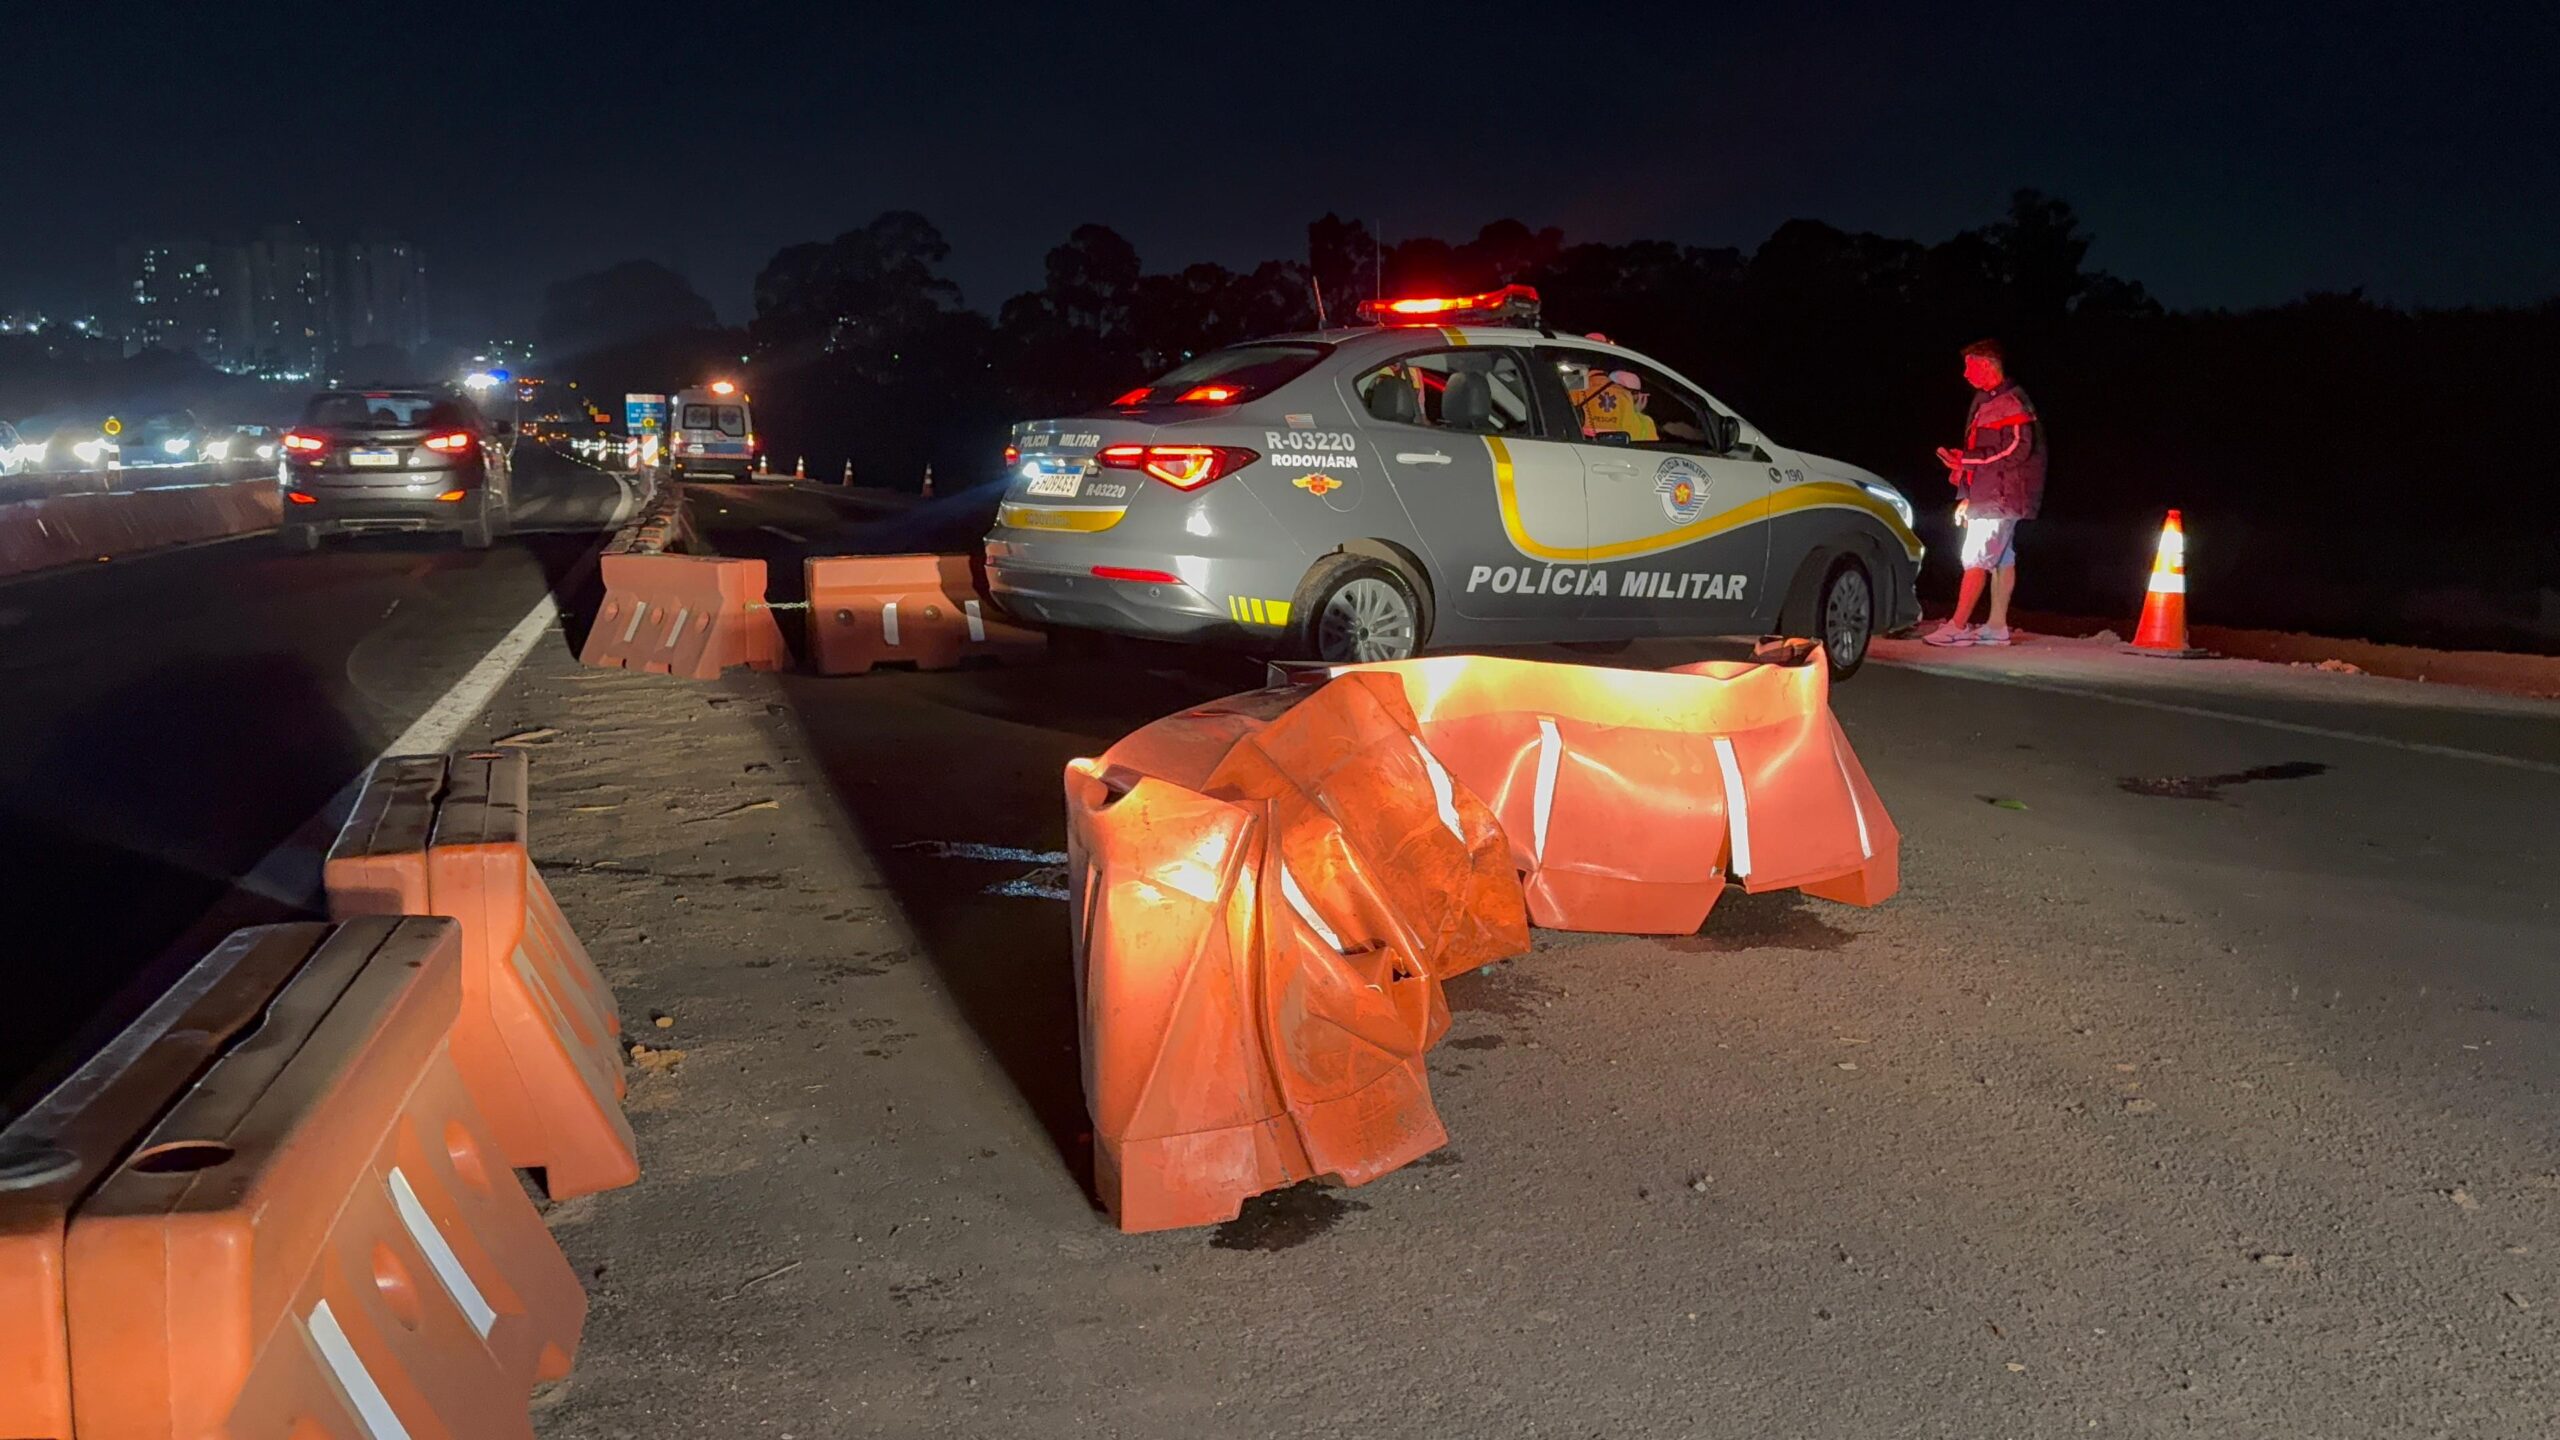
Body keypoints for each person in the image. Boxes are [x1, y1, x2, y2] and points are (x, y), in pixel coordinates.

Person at [1924, 338, 2045, 646]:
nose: (1965, 374)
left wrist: (1966, 460)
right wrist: (1966, 493)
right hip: (1990, 495)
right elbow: (1980, 453)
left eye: (1970, 366)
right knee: (2002, 556)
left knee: (1976, 557)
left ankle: (1958, 625)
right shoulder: (1985, 400)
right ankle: (1996, 625)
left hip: (2001, 497)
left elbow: (2018, 449)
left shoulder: (2013, 401)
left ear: (1988, 365)